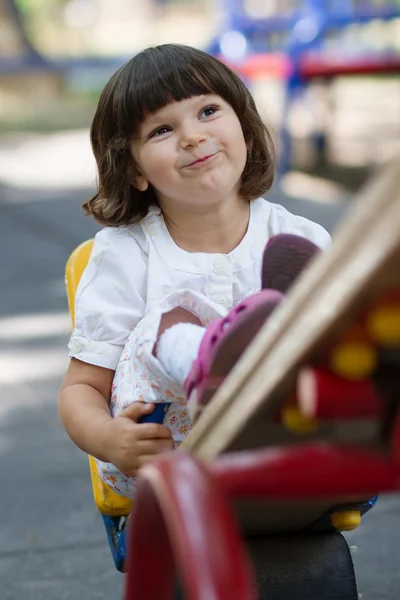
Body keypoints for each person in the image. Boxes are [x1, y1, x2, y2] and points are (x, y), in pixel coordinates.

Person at [58, 44, 331, 498]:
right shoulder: (127, 255)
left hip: (286, 437)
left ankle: (258, 342)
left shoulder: (298, 240)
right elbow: (82, 388)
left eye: (207, 111)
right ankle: (202, 353)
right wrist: (109, 439)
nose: (191, 136)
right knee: (165, 321)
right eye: (162, 129)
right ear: (135, 170)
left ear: (244, 128)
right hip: (173, 459)